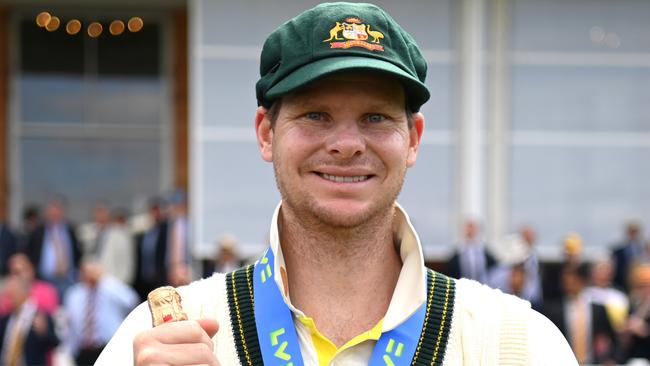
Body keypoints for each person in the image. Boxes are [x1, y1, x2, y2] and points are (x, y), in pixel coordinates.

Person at [97, 3, 577, 365]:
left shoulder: (517, 343)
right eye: (316, 115)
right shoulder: (163, 336)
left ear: (412, 139)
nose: (347, 144)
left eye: (374, 117)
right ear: (266, 133)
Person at [63, 258, 139, 365]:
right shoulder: (74, 294)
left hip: (108, 348)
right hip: (83, 352)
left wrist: (104, 280)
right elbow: (71, 325)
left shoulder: (110, 288)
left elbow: (131, 300)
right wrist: (69, 351)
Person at [544, 264, 620, 364]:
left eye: (572, 280)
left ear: (582, 281)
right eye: (565, 280)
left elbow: (612, 338)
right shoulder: (554, 310)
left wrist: (611, 359)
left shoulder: (598, 309)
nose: (568, 284)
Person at [25, 197, 82, 299]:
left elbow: (78, 253)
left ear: (63, 212)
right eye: (52, 210)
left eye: (58, 210)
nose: (54, 213)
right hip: (44, 280)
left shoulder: (70, 230)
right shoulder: (38, 231)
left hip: (67, 279)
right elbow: (30, 253)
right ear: (46, 212)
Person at [0, 275, 59, 366]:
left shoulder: (41, 316)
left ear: (24, 293)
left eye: (12, 294)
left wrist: (44, 332)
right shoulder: (5, 319)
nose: (8, 299)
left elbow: (55, 343)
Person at [445, 219, 496, 284]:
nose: (470, 231)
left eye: (473, 228)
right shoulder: (456, 254)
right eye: (468, 228)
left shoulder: (487, 253)